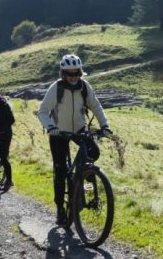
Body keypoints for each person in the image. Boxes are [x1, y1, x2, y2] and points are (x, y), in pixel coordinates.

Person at [36, 54, 112, 225]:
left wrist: (105, 125)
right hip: (59, 132)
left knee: (93, 154)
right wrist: (51, 128)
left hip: (79, 129)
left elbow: (96, 105)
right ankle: (60, 209)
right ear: (63, 74)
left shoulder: (85, 87)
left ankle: (84, 183)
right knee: (61, 171)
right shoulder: (56, 88)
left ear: (80, 72)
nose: (73, 77)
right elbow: (42, 111)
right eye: (69, 74)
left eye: (76, 73)